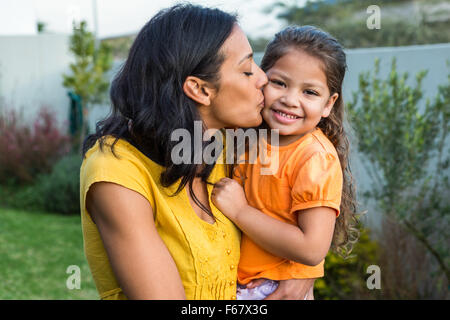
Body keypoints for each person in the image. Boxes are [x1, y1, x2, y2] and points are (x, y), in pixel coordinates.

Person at [80, 4, 314, 300]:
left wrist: (306, 271)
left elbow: (311, 196)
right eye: (245, 70)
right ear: (200, 90)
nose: (263, 78)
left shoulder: (230, 143)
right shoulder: (116, 175)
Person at [211, 25, 359, 300]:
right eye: (279, 83)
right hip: (240, 282)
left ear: (329, 104)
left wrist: (241, 212)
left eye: (310, 92)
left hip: (273, 288)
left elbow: (312, 249)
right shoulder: (246, 136)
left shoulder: (313, 157)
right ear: (260, 81)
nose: (290, 100)